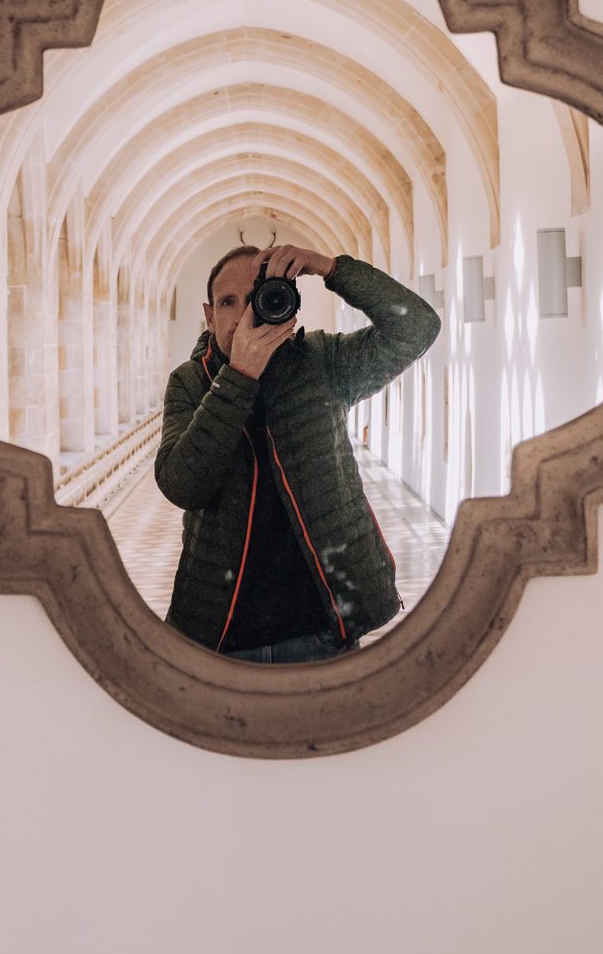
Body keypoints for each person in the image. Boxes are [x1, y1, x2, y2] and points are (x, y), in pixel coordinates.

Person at [154, 242, 441, 662]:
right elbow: (182, 484)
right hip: (220, 634)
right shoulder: (189, 382)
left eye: (257, 297)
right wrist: (240, 377)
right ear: (209, 315)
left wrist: (330, 268)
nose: (243, 314)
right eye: (228, 302)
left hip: (322, 630)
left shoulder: (323, 362)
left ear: (286, 303)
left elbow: (416, 326)